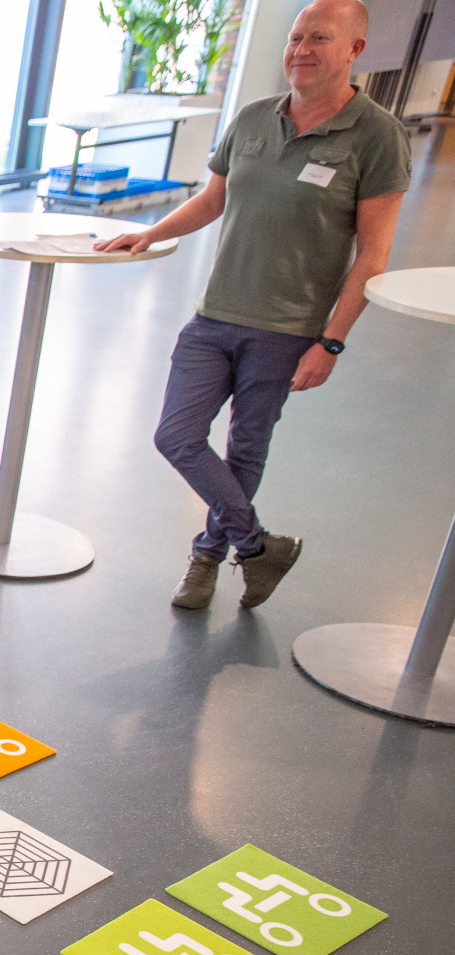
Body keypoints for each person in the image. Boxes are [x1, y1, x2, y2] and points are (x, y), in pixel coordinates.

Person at [96, 0, 408, 610]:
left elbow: (372, 255)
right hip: (215, 315)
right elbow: (213, 201)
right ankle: (260, 547)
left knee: (246, 449)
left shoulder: (376, 135)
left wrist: (332, 342)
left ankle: (208, 559)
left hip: (288, 330)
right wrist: (152, 231)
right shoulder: (254, 118)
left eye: (319, 37)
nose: (301, 50)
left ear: (354, 50)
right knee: (177, 436)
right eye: (294, 37)